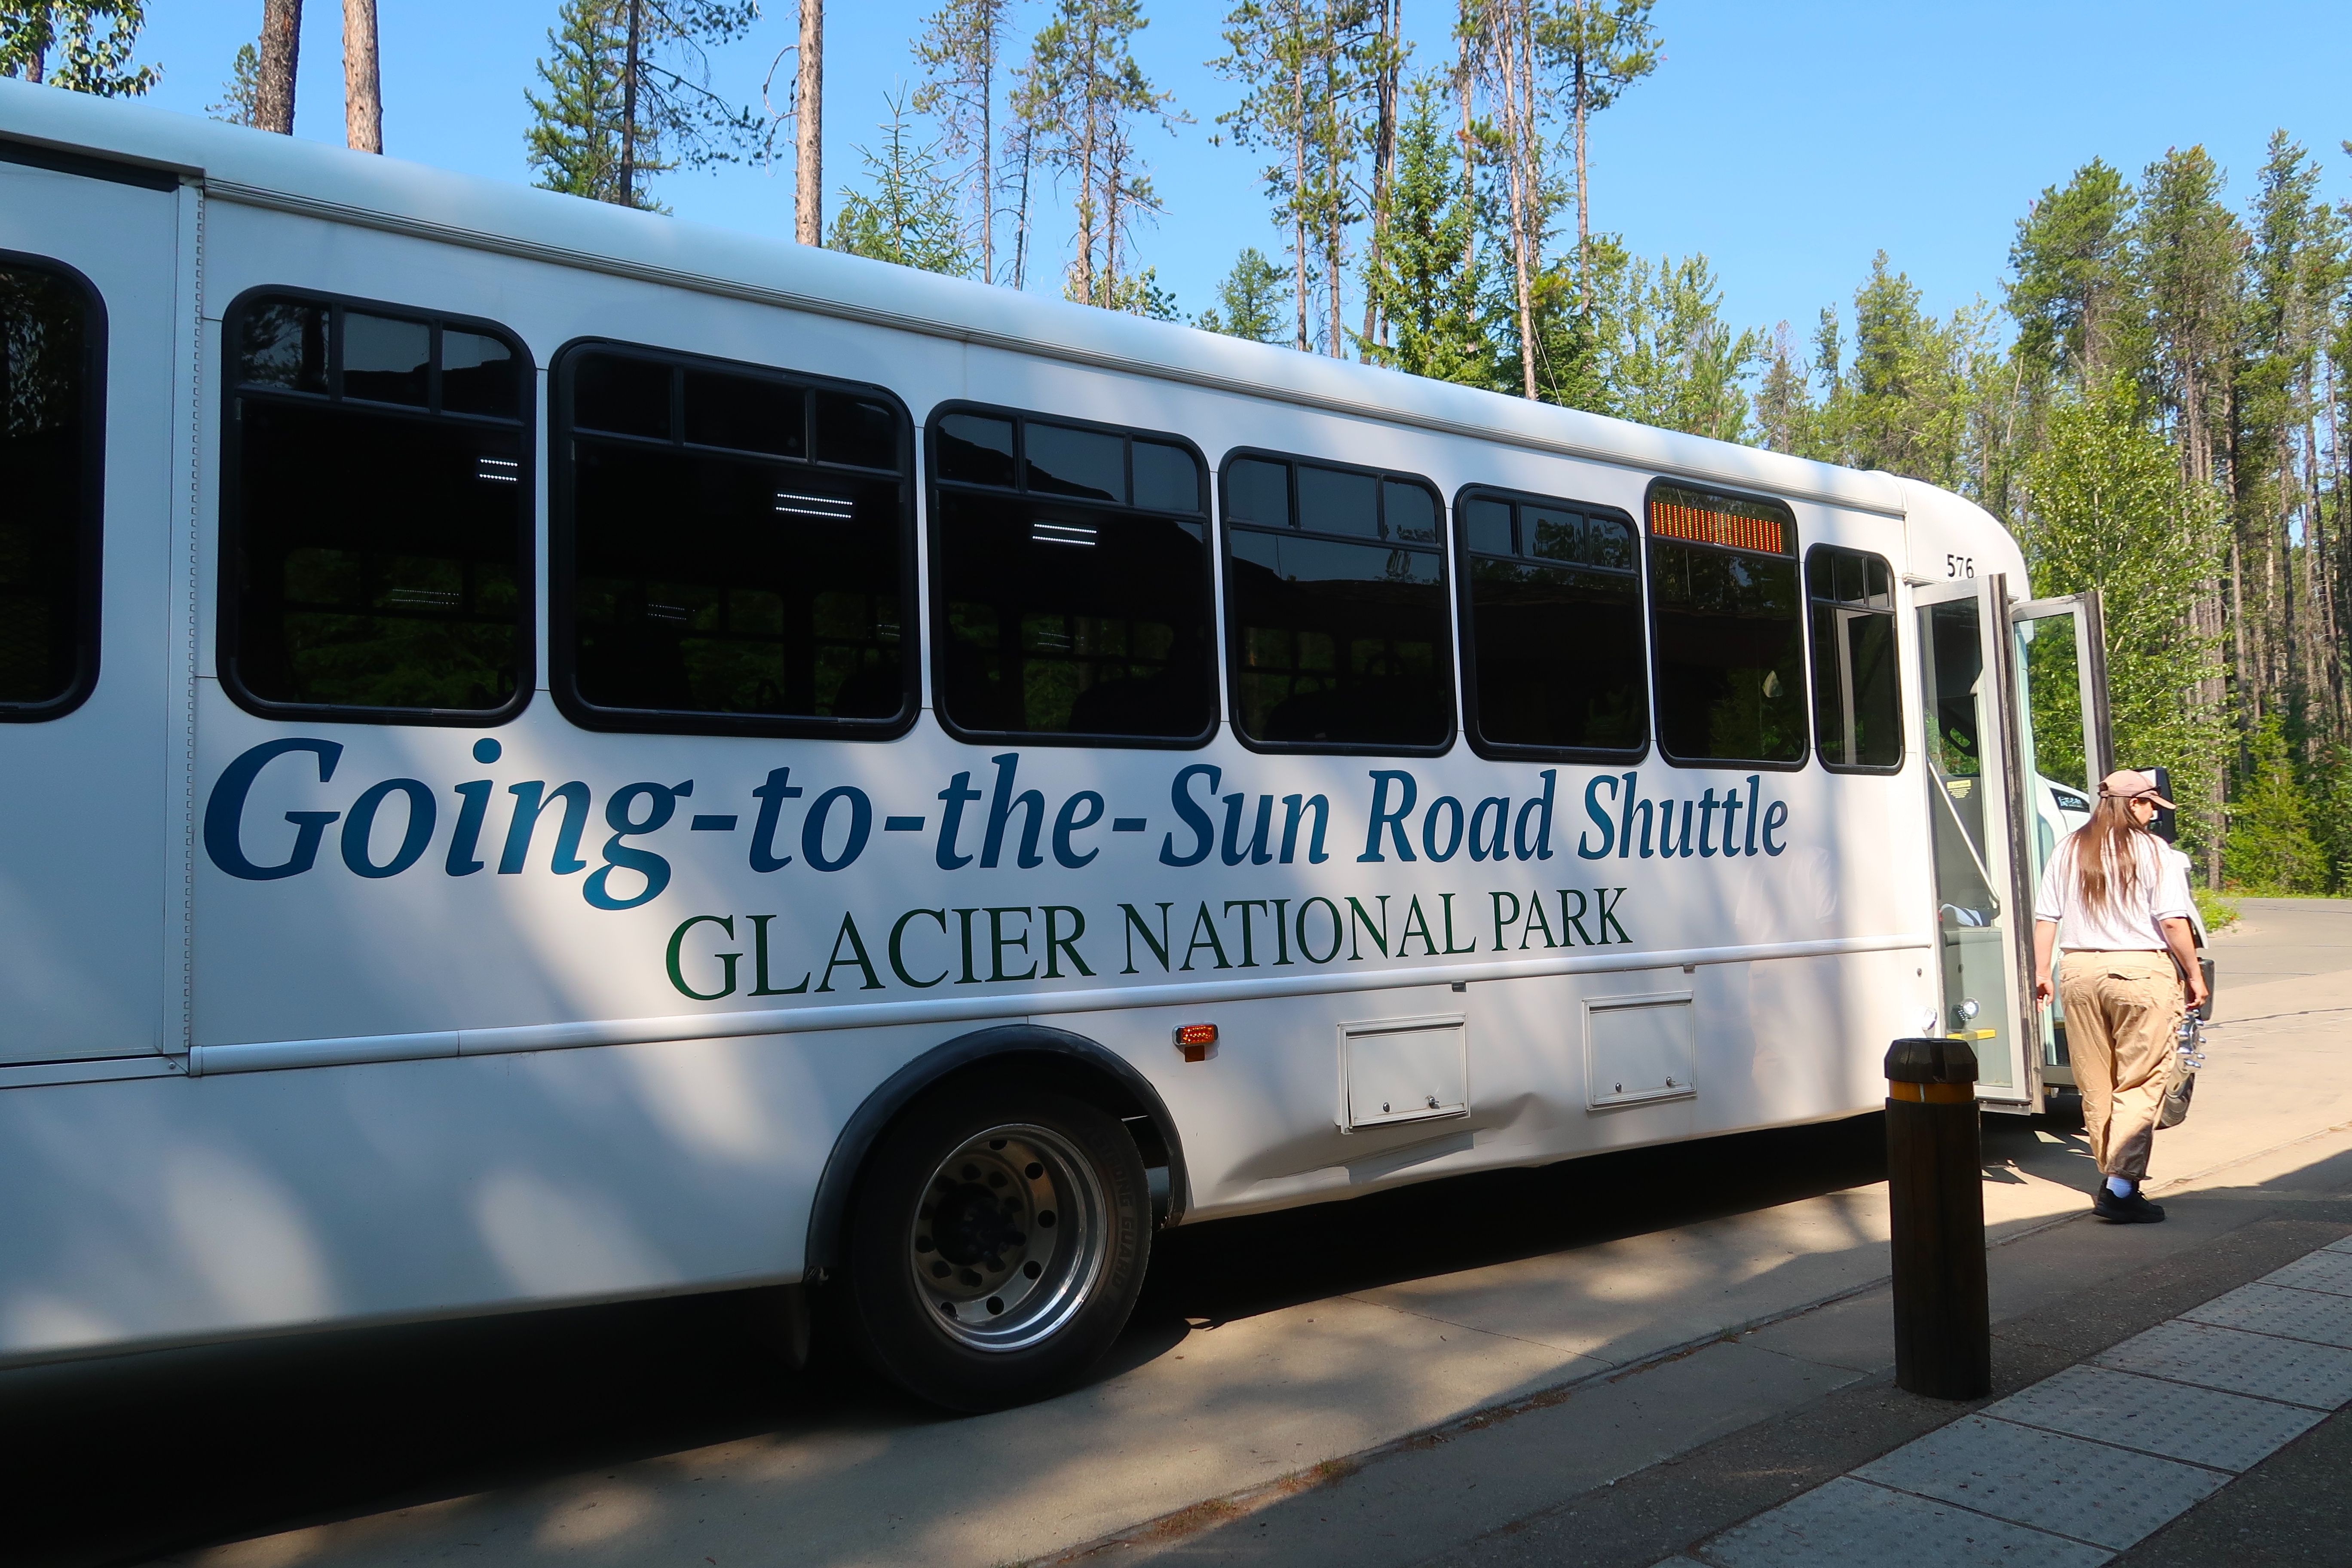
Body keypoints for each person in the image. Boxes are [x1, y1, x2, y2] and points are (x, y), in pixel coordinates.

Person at [2031, 769, 2208, 1223]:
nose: (2154, 815)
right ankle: (2122, 1188)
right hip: (2138, 971)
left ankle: (2111, 1174)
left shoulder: (2070, 848)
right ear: (2132, 804)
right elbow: (2172, 921)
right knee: (2141, 1079)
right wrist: (2193, 974)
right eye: (2150, 805)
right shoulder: (2154, 852)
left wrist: (2041, 972)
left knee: (2096, 1081)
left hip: (2078, 971)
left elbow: (2047, 916)